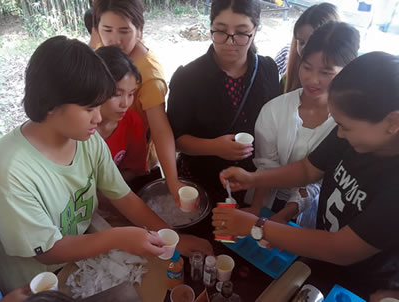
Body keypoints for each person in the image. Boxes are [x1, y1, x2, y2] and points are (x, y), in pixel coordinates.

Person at [0, 36, 212, 294]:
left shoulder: (86, 140)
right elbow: (48, 251)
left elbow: (122, 196)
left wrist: (172, 238)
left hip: (85, 260)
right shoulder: (11, 170)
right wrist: (118, 238)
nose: (98, 118)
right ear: (52, 105)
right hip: (39, 282)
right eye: (90, 109)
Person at [214, 52, 399, 298]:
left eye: (346, 127)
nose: (340, 134)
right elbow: (308, 169)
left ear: (393, 122)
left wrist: (258, 226)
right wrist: (253, 179)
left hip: (365, 283)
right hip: (323, 255)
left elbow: (341, 249)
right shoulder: (352, 132)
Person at [246, 22, 360, 228]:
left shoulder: (348, 125)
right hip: (266, 197)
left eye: (326, 72)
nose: (312, 79)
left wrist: (283, 216)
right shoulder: (274, 109)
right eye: (307, 67)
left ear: (347, 71)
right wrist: (257, 209)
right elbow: (266, 166)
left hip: (311, 210)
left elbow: (318, 179)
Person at [167, 0, 280, 205]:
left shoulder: (268, 70)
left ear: (255, 29)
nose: (230, 41)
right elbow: (175, 139)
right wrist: (214, 147)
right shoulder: (187, 77)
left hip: (251, 184)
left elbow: (275, 128)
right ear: (210, 27)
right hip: (201, 182)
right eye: (220, 31)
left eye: (241, 32)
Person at [93, 0, 184, 203]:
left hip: (131, 157)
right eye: (107, 29)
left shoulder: (149, 76)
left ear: (140, 30)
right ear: (97, 28)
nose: (114, 40)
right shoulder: (102, 48)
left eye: (124, 31)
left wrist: (172, 181)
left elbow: (160, 129)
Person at [95, 46, 147, 186]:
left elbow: (134, 170)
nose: (125, 103)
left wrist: (107, 190)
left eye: (131, 94)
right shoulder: (77, 129)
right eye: (117, 94)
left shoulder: (132, 122)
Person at [283, 2, 339, 93]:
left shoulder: (345, 90)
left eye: (313, 43)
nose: (305, 49)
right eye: (301, 42)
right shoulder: (287, 78)